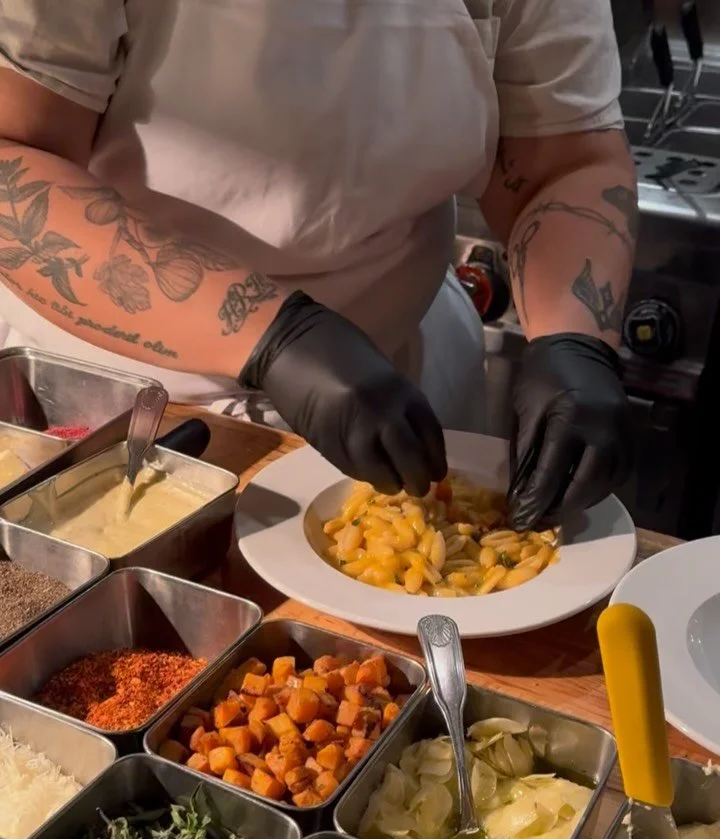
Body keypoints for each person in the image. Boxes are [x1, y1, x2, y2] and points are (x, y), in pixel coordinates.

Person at [0, 0, 634, 529]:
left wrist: (575, 339)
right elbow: (12, 161)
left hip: (398, 370)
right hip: (122, 389)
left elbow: (564, 164)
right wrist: (271, 334)